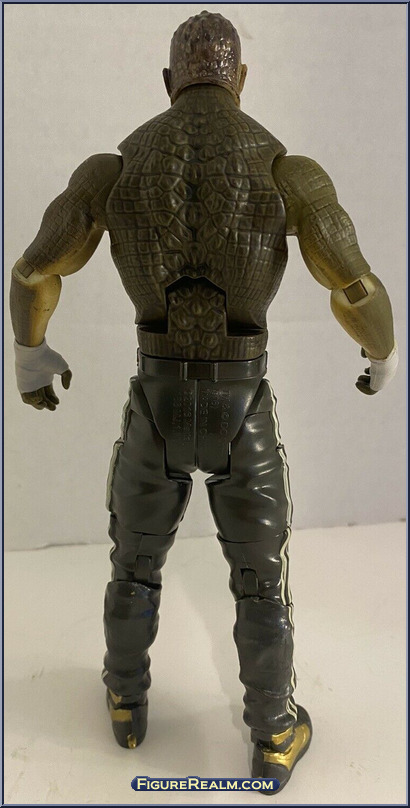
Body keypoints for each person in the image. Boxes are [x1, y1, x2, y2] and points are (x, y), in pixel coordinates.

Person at [10, 10, 398, 793]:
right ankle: (274, 735)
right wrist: (381, 351)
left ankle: (125, 703)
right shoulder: (287, 170)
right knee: (260, 580)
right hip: (238, 401)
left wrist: (29, 351)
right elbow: (354, 282)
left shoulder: (114, 168)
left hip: (155, 401)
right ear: (240, 79)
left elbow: (34, 269)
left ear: (168, 82)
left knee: (133, 564)